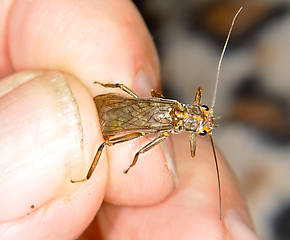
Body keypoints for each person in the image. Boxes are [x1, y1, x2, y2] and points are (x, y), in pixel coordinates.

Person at [0, 0, 257, 239]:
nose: (202, 120)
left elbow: (155, 99)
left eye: (201, 128)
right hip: (115, 118)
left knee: (123, 96)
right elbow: (186, 152)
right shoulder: (170, 129)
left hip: (122, 112)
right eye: (201, 117)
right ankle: (89, 173)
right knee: (105, 143)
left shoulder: (173, 111)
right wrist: (133, 161)